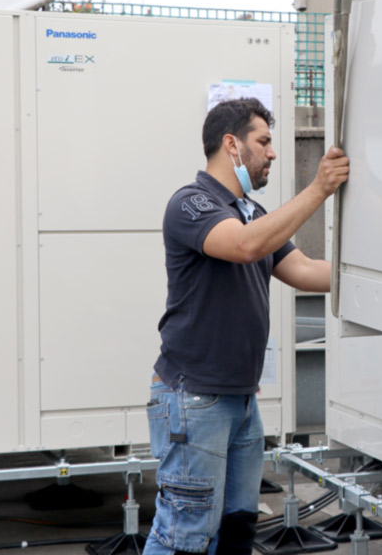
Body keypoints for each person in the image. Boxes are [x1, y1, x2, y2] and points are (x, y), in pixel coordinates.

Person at [145, 98, 349, 555]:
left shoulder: (252, 212)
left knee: (236, 529)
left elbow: (306, 271)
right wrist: (317, 189)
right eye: (264, 141)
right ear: (231, 145)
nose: (273, 153)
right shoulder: (191, 203)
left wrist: (378, 272)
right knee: (184, 533)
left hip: (239, 400)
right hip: (194, 398)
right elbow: (243, 247)